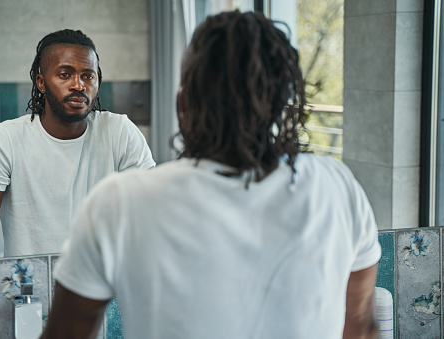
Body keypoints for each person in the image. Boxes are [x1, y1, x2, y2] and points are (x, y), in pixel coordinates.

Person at [42, 12, 380, 339]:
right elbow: (361, 328)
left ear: (183, 106)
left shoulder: (122, 203)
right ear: (283, 102)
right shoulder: (337, 187)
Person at [0, 29, 155, 260]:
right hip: (27, 289)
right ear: (41, 82)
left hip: (104, 288)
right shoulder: (3, 140)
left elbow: (150, 217)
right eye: (65, 74)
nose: (78, 85)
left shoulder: (120, 132)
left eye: (88, 76)